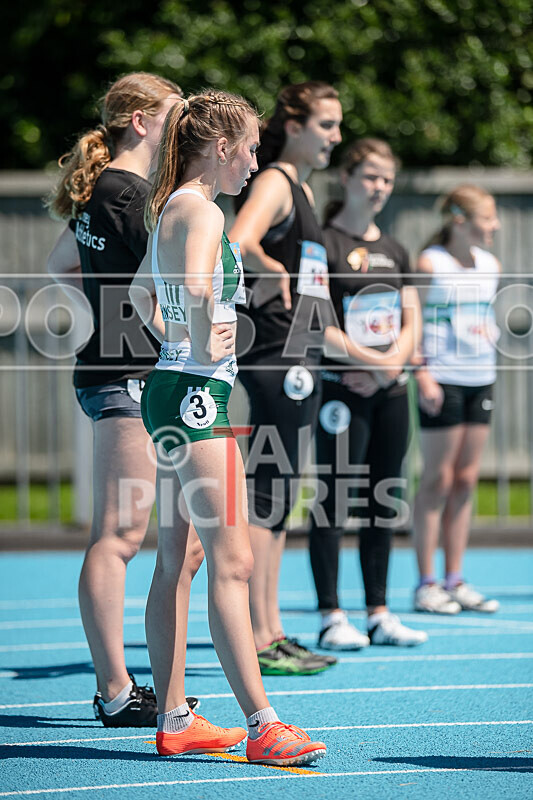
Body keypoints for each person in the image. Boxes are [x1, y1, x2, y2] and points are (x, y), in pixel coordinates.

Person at [129, 90, 327, 765]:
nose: (255, 161)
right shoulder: (204, 210)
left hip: (175, 388)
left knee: (178, 561)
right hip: (194, 396)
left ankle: (175, 717)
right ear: (222, 148)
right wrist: (199, 334)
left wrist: (176, 340)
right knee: (233, 561)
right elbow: (189, 286)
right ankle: (263, 725)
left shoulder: (173, 206)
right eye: (250, 148)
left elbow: (140, 293)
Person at [230, 87, 417, 674]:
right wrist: (273, 272)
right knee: (268, 499)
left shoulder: (302, 189)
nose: (336, 136)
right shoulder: (275, 181)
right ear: (295, 126)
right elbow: (238, 242)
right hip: (274, 355)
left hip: (300, 355)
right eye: (328, 125)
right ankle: (257, 636)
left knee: (281, 499)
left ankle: (271, 630)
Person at [46, 72, 201, 726]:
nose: (184, 127)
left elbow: (61, 265)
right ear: (140, 121)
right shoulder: (131, 193)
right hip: (127, 377)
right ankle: (115, 691)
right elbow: (160, 288)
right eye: (174, 114)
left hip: (123, 370)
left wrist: (106, 316)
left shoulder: (102, 190)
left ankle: (160, 690)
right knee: (118, 536)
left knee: (185, 542)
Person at [308, 139, 428, 649]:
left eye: (387, 179)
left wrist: (387, 369)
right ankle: (331, 615)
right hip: (341, 392)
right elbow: (316, 325)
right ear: (347, 178)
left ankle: (378, 611)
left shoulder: (396, 249)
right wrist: (375, 365)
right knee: (334, 501)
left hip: (390, 395)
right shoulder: (323, 244)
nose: (380, 187)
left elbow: (412, 317)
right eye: (371, 177)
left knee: (384, 499)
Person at [413, 184, 501, 614]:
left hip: (480, 379)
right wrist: (422, 374)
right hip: (442, 381)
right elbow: (412, 318)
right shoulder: (431, 264)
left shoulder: (490, 265)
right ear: (460, 222)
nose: (495, 226)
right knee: (437, 479)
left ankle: (455, 578)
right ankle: (426, 583)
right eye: (488, 218)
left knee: (466, 479)